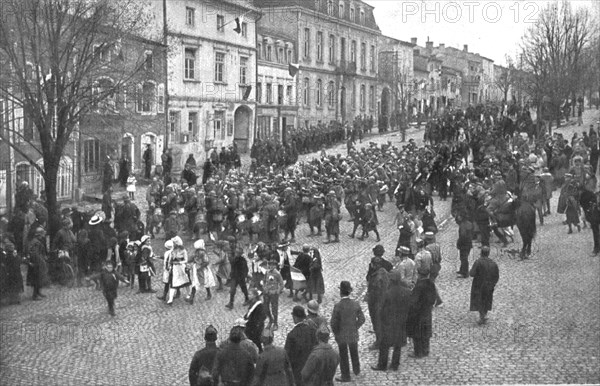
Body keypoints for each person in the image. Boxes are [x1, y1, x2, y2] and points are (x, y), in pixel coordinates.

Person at [372, 271, 412, 371]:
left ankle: (382, 365)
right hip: (401, 322)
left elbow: (381, 309)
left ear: (391, 280)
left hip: (388, 323)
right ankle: (395, 364)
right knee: (398, 345)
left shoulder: (387, 293)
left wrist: (380, 321)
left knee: (384, 345)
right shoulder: (407, 292)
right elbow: (410, 307)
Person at [330, 280, 365, 383]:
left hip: (342, 335)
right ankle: (356, 369)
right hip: (353, 333)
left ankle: (345, 376)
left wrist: (336, 333)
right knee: (354, 351)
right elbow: (362, 319)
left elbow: (333, 323)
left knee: (343, 354)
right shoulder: (355, 304)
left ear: (340, 292)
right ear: (349, 292)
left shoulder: (338, 306)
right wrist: (355, 327)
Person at [406, 270, 437, 358]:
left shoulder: (419, 286)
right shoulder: (431, 284)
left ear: (419, 275)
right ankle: (426, 350)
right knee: (426, 332)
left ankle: (418, 352)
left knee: (417, 333)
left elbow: (413, 301)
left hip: (418, 313)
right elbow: (433, 298)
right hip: (427, 311)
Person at [284, 305, 317, 386]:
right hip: (311, 366)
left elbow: (287, 355)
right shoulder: (312, 330)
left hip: (298, 370)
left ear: (295, 317)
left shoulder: (292, 335)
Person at [469, 246, 500, 325]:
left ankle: (482, 316)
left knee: (479, 300)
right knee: (486, 300)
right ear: (488, 253)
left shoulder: (478, 262)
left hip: (478, 285)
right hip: (489, 285)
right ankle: (484, 315)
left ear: (481, 253)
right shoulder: (493, 263)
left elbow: (472, 273)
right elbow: (496, 276)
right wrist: (493, 284)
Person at [27, 226, 49, 300]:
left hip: (39, 262)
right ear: (39, 234)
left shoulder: (37, 241)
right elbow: (35, 254)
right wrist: (40, 261)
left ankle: (38, 292)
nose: (43, 236)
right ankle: (35, 295)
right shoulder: (35, 242)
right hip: (36, 263)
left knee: (40, 278)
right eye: (42, 234)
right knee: (37, 279)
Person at [263, 258, 284, 331]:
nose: (271, 266)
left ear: (275, 266)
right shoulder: (267, 272)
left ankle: (275, 323)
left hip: (274, 294)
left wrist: (277, 291)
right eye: (270, 265)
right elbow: (264, 281)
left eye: (273, 265)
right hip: (267, 293)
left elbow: (281, 284)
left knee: (274, 309)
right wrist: (264, 288)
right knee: (265, 308)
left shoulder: (277, 273)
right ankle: (270, 319)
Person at [244, 287, 267, 352]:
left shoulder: (259, 305)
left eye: (250, 294)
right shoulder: (252, 303)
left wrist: (253, 323)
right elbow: (249, 313)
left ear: (254, 295)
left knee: (256, 341)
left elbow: (262, 317)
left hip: (255, 328)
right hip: (251, 326)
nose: (248, 296)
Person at [456, 214, 474, 278]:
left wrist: (459, 243)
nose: (458, 217)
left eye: (459, 216)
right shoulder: (469, 223)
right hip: (468, 243)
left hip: (464, 244)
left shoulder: (463, 225)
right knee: (464, 257)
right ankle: (462, 270)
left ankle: (465, 273)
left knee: (463, 258)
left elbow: (462, 236)